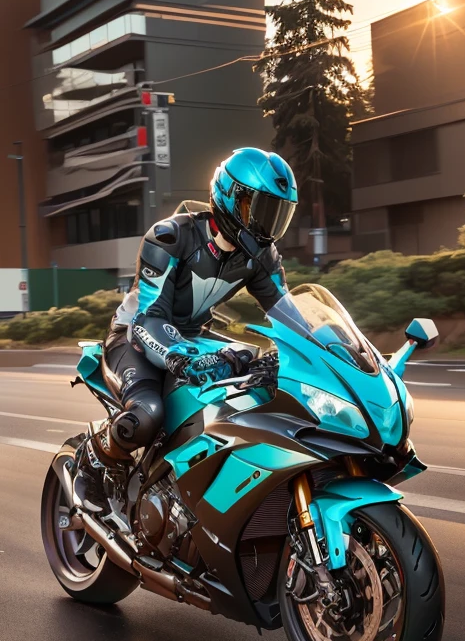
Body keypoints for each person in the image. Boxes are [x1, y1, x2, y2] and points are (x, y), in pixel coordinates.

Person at [74, 147, 298, 512]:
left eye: (277, 215)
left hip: (192, 336)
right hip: (134, 334)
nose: (267, 226)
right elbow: (149, 318)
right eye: (260, 210)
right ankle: (96, 458)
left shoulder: (260, 256)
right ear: (230, 195)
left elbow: (291, 319)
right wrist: (182, 357)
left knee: (257, 387)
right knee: (147, 414)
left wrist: (337, 354)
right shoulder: (169, 238)